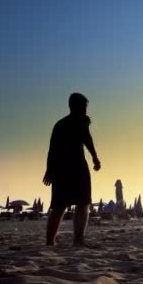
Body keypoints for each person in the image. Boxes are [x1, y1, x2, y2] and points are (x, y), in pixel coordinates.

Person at [43, 93, 101, 246]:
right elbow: (87, 139)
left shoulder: (59, 124)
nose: (85, 110)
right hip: (76, 166)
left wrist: (49, 170)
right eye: (84, 107)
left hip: (60, 168)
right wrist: (95, 157)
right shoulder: (82, 120)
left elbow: (52, 149)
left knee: (59, 205)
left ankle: (50, 241)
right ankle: (78, 240)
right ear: (77, 106)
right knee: (82, 203)